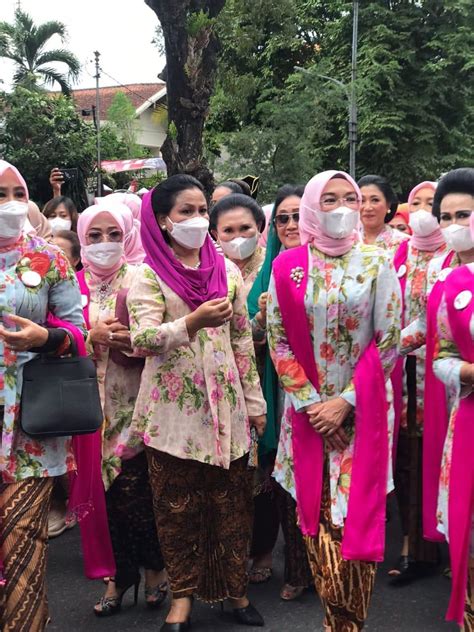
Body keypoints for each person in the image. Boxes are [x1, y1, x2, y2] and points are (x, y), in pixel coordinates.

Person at [126, 174, 267, 630]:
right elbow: (142, 340)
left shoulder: (225, 269)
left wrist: (255, 403)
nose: (197, 219)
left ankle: (235, 593)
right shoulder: (146, 273)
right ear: (164, 220)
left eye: (202, 210)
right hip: (173, 419)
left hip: (227, 413)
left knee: (231, 510)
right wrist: (191, 322)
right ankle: (182, 600)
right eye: (186, 211)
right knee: (176, 511)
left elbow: (242, 340)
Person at [267, 170, 401, 631]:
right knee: (319, 531)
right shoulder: (288, 266)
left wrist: (344, 402)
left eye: (351, 197)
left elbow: (388, 341)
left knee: (355, 531)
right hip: (306, 420)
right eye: (330, 199)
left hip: (360, 416)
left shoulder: (377, 261)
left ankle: (347, 625)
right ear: (310, 207)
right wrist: (311, 405)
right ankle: (335, 621)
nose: (343, 206)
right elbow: (279, 342)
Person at [0, 159, 85, 631]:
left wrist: (45, 339)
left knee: (23, 550)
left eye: (18, 194)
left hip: (31, 429)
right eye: (0, 195)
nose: (11, 206)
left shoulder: (48, 258)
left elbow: (79, 331)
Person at [76, 203, 166, 617]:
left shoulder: (144, 277)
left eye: (114, 234)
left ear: (129, 234)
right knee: (101, 500)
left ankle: (153, 570)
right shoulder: (71, 283)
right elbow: (57, 333)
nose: (104, 244)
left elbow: (159, 340)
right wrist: (86, 335)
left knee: (136, 494)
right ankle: (117, 573)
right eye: (95, 236)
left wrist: (129, 339)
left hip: (136, 405)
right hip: (86, 412)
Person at [246, 185, 313, 600]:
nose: (290, 225)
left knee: (317, 482)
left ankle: (326, 566)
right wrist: (263, 316)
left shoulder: (337, 266)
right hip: (279, 388)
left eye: (296, 216)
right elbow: (251, 336)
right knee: (284, 482)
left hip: (327, 389)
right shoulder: (268, 269)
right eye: (282, 219)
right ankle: (297, 569)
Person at [390, 180, 446, 583]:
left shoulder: (455, 256)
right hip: (403, 377)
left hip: (442, 375)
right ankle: (413, 542)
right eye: (417, 203)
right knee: (408, 457)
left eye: (433, 203)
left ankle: (445, 539)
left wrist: (392, 344)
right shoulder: (399, 252)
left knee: (440, 455)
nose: (424, 210)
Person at [433, 215, 473, 630]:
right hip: (469, 420)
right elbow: (441, 353)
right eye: (450, 216)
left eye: (467, 214)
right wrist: (468, 374)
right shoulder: (455, 282)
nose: (456, 225)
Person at [210, 193, 266, 297]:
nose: (237, 236)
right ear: (216, 235)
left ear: (258, 228)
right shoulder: (210, 270)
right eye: (228, 230)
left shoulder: (273, 265)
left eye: (245, 228)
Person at [359, 174, 410, 254]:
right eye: (362, 201)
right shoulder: (346, 242)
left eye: (375, 200)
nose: (368, 208)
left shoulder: (405, 243)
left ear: (388, 204)